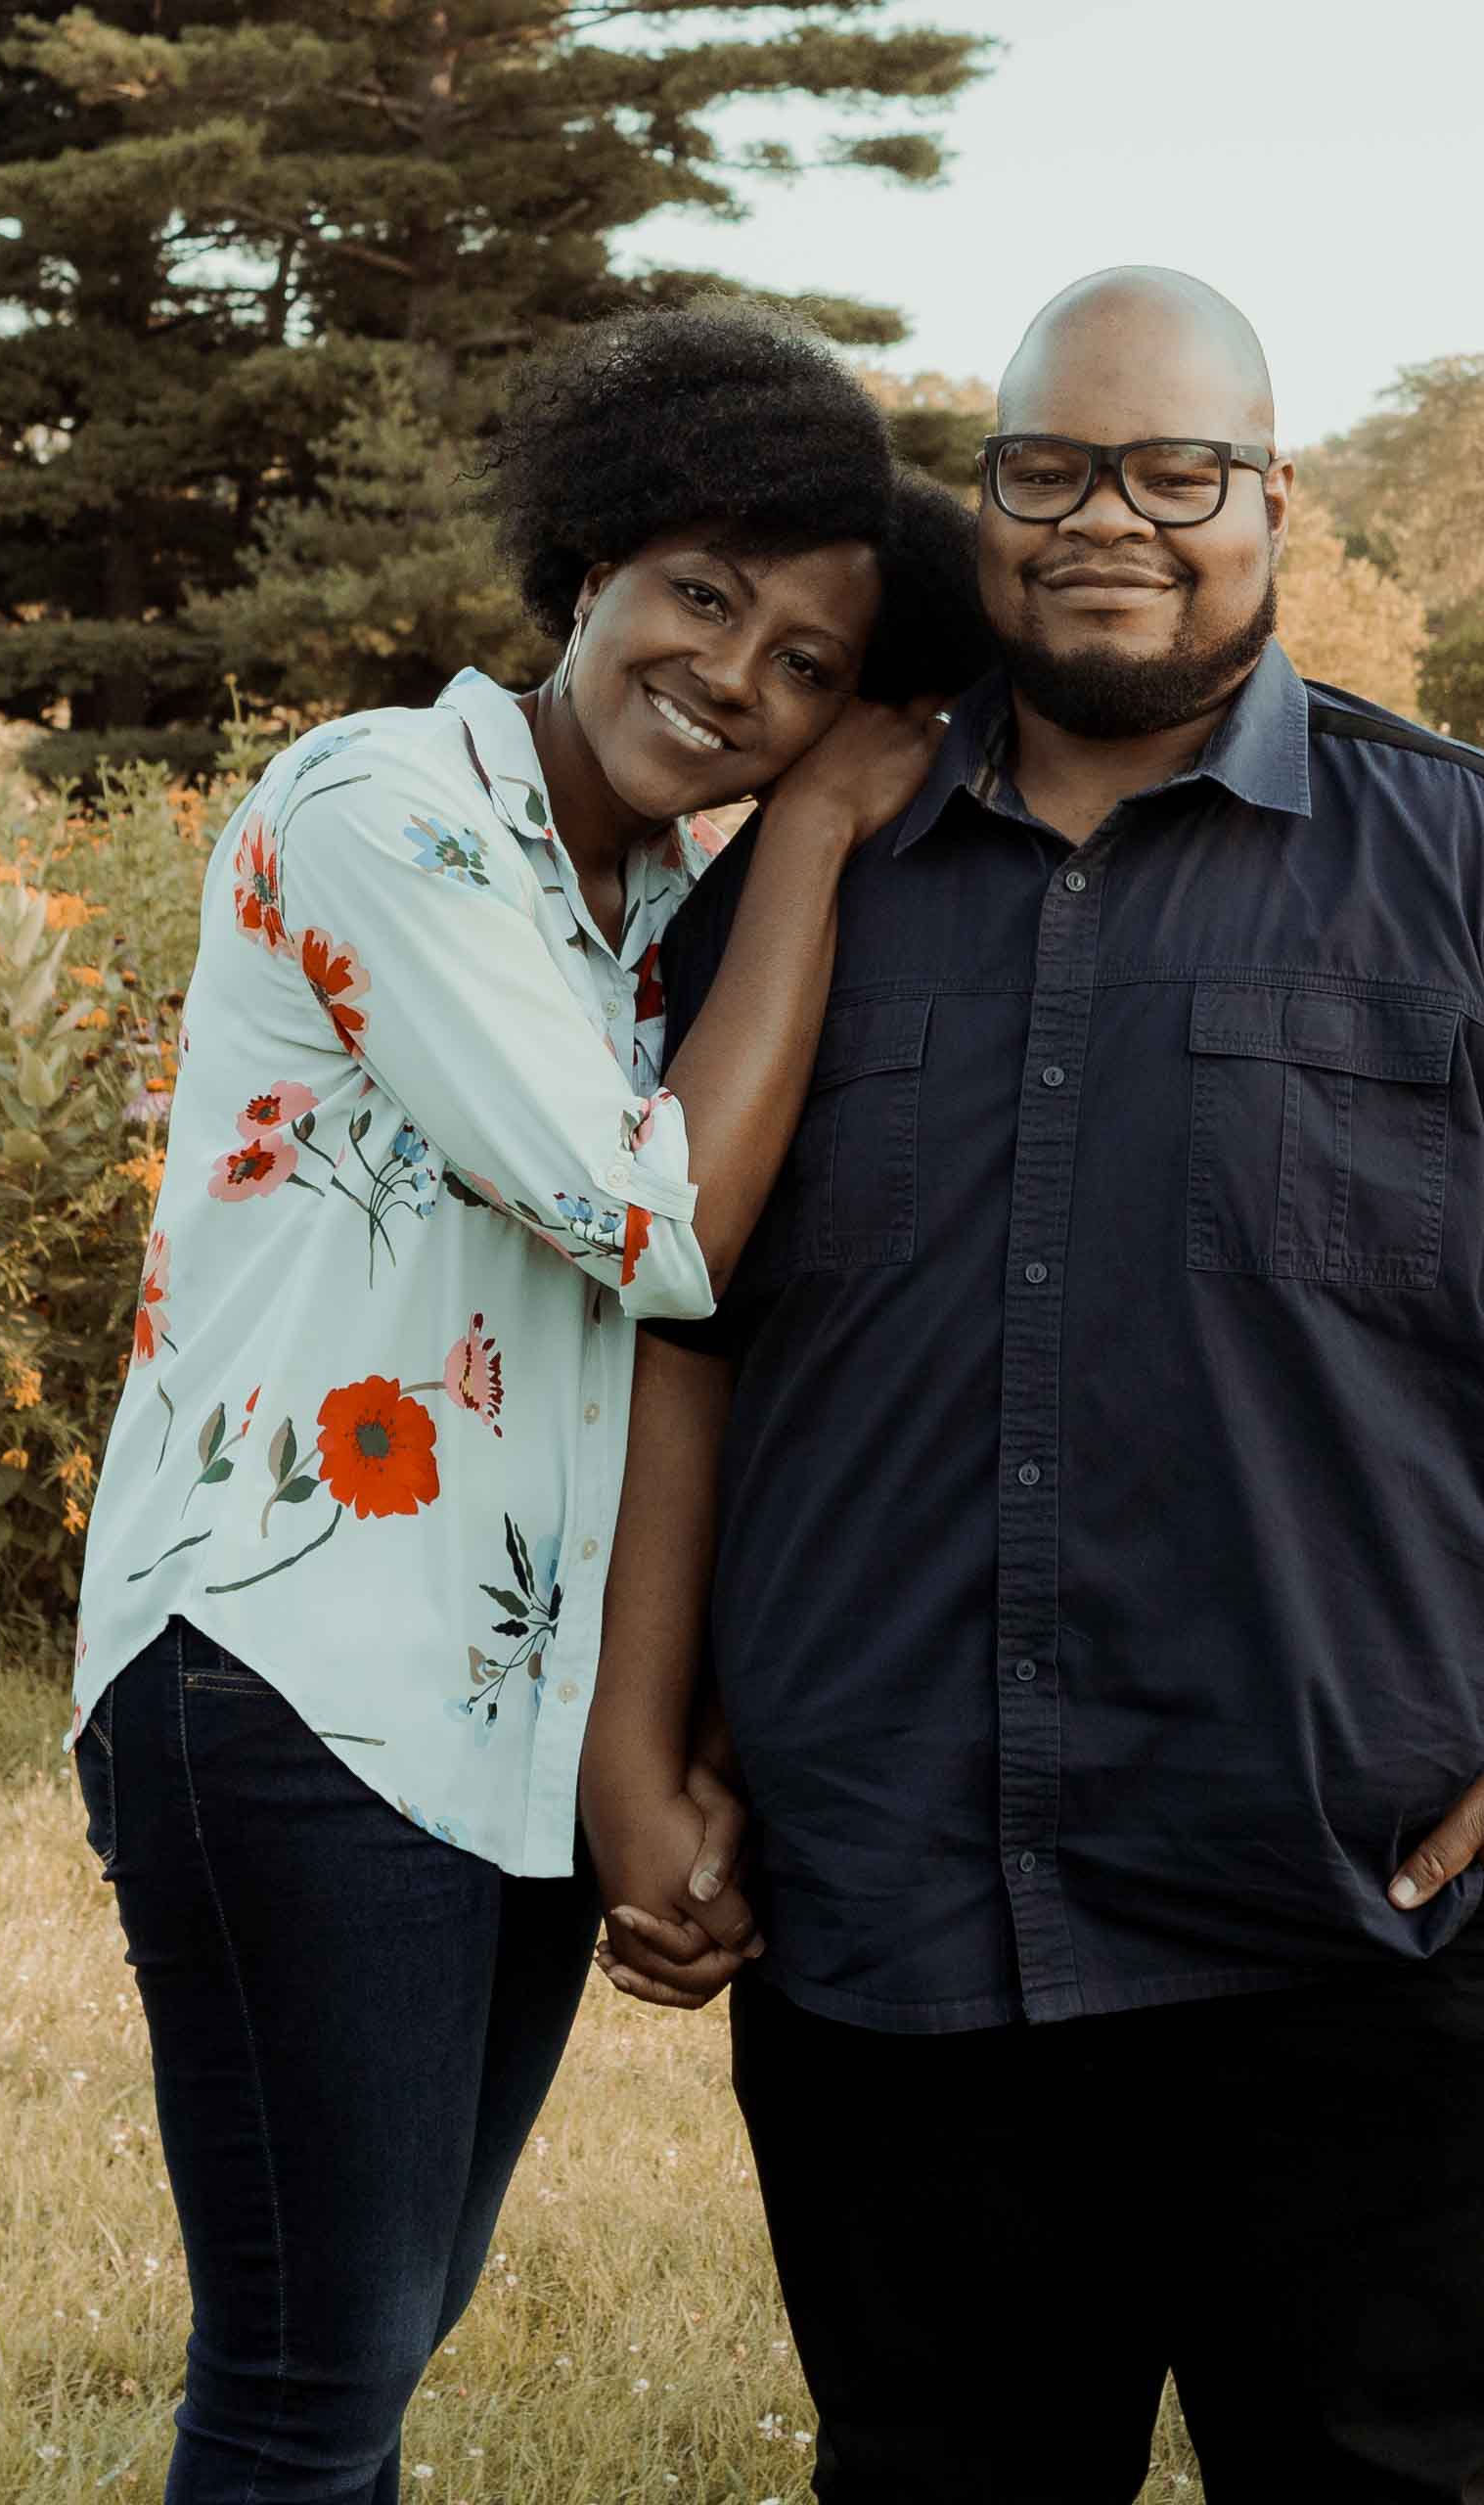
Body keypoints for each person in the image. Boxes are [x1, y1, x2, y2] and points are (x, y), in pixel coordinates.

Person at [585, 266, 1484, 2505]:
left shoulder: (1473, 864)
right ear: (983, 500)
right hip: (899, 1914)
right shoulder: (803, 881)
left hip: (1365, 1918)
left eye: (1180, 472)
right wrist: (641, 1748)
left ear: (1275, 496)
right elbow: (678, 1320)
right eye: (1052, 468)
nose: (1112, 520)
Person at [67, 304, 987, 2502]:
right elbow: (652, 1230)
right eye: (702, 595)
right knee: (307, 2381)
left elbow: (656, 1361)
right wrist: (838, 839)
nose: (733, 679)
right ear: (591, 562)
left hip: (486, 1710)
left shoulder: (654, 901)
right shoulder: (387, 801)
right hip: (289, 1679)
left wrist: (642, 1755)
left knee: (370, 2343)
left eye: (804, 667)